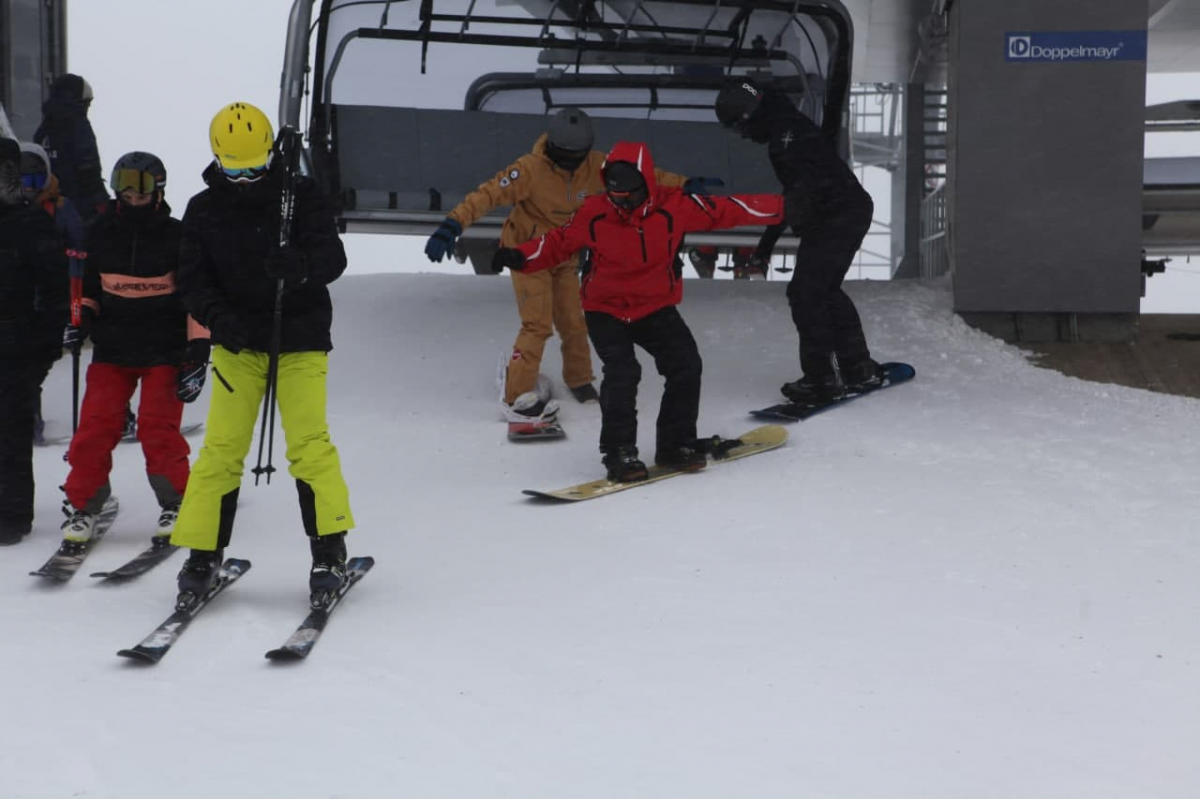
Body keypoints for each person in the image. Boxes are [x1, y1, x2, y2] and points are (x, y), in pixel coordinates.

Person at [491, 141, 783, 482]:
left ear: (646, 183)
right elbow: (558, 242)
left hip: (653, 307)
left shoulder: (675, 207)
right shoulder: (595, 213)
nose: (622, 203)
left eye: (630, 196)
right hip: (606, 310)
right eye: (615, 196)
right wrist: (520, 255)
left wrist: (787, 207)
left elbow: (731, 208)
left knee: (686, 365)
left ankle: (676, 445)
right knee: (623, 373)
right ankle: (619, 453)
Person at [171, 101, 354, 608]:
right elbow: (192, 280)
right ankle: (202, 552)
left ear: (271, 153)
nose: (247, 179)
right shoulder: (203, 210)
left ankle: (329, 550)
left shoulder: (302, 195)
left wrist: (298, 265)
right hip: (237, 343)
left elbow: (333, 258)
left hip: (299, 338)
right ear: (217, 159)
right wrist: (219, 320)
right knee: (221, 450)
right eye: (235, 169)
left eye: (255, 166)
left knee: (310, 445)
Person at [424, 106, 712, 423]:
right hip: (527, 252)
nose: (574, 161)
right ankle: (517, 397)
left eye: (580, 154)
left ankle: (579, 379)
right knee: (537, 324)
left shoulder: (597, 165)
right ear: (554, 147)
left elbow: (642, 175)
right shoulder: (529, 169)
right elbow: (486, 195)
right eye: (567, 154)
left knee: (574, 320)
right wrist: (451, 226)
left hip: (564, 253)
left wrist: (683, 184)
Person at [715, 78, 883, 402]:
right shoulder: (786, 127)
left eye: (739, 127)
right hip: (843, 212)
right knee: (823, 291)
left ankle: (822, 379)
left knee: (806, 294)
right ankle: (857, 366)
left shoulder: (786, 136)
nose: (743, 136)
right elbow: (796, 192)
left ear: (749, 115)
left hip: (839, 215)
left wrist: (769, 239)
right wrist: (769, 242)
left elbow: (799, 192)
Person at [59, 151, 191, 551]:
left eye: (143, 192)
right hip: (113, 349)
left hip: (164, 350)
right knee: (94, 427)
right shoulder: (99, 232)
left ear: (159, 191)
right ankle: (85, 504)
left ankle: (178, 502)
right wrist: (79, 321)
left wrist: (197, 348)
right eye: (127, 192)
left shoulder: (177, 235)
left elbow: (193, 295)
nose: (134, 200)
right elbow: (91, 291)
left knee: (156, 427)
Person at [0, 137, 69, 545]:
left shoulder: (31, 224)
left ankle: (10, 515)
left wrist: (44, 346)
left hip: (16, 339)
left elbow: (56, 291)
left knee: (10, 428)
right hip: (20, 336)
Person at [19, 141, 84, 444]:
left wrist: (70, 261)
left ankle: (27, 415)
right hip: (18, 300)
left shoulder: (60, 207)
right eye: (23, 181)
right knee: (21, 364)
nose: (30, 189)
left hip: (52, 297)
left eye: (35, 181)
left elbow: (79, 244)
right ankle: (26, 416)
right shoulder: (10, 210)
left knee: (39, 359)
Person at [33, 73, 108, 225]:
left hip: (45, 204)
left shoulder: (45, 128)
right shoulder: (79, 125)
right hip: (79, 205)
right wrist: (100, 202)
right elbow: (88, 165)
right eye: (87, 103)